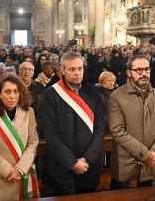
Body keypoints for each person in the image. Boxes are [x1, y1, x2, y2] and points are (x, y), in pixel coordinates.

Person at [40, 51, 106, 195]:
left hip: (88, 166)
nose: (77, 73)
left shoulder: (93, 92)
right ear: (62, 70)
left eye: (80, 68)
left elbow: (100, 128)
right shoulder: (50, 95)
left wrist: (87, 159)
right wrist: (72, 163)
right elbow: (51, 134)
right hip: (61, 167)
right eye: (72, 69)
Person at [108, 55, 155, 190]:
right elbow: (118, 131)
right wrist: (144, 155)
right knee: (120, 197)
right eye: (139, 70)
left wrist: (153, 152)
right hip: (126, 160)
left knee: (148, 196)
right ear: (129, 73)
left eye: (147, 70)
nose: (144, 73)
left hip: (151, 160)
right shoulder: (117, 96)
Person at [0, 73, 40, 200]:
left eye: (15, 92)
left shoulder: (29, 112)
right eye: (7, 92)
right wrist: (9, 171)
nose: (12, 96)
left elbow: (32, 143)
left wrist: (20, 169)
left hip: (24, 172)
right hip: (2, 177)